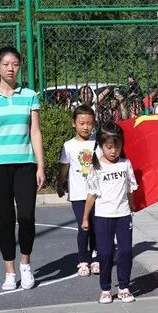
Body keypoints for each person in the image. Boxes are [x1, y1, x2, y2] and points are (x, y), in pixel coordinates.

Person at [0, 46, 46, 291]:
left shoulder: (30, 95)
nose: (10, 68)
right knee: (6, 219)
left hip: (25, 165)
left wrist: (40, 164)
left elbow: (35, 131)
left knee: (26, 217)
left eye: (15, 63)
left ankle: (26, 265)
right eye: (5, 63)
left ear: (19, 67)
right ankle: (10, 271)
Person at [81, 122, 139, 304]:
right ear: (100, 146)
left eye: (118, 146)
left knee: (125, 251)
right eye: (109, 147)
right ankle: (105, 289)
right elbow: (91, 194)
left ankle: (124, 287)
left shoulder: (125, 164)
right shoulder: (97, 167)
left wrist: (132, 206)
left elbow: (130, 188)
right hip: (103, 216)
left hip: (123, 215)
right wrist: (85, 218)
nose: (114, 151)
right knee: (105, 253)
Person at [58, 104, 99, 277]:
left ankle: (96, 258)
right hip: (78, 195)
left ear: (94, 123)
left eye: (89, 123)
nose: (85, 127)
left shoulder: (98, 142)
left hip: (97, 194)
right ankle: (83, 261)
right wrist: (60, 184)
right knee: (84, 227)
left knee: (97, 227)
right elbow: (64, 166)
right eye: (82, 123)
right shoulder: (69, 146)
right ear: (74, 123)